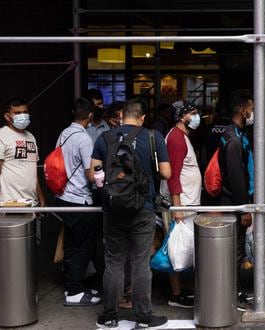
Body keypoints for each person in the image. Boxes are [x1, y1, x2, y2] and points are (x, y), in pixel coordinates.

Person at [91, 98, 171, 329]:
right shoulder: (153, 137)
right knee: (140, 263)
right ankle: (143, 318)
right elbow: (166, 173)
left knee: (114, 262)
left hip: (112, 209)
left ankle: (109, 316)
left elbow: (92, 174)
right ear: (143, 117)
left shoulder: (104, 138)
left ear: (121, 115)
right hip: (143, 209)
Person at [54, 98, 101, 306]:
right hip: (79, 198)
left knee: (73, 244)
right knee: (82, 246)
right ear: (90, 116)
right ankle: (74, 292)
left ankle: (73, 287)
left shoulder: (64, 133)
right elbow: (90, 174)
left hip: (64, 196)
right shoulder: (84, 139)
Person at [217, 90, 255, 311]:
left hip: (238, 201)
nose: (253, 113)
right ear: (243, 111)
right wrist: (244, 209)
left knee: (237, 250)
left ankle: (236, 290)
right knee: (234, 252)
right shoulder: (233, 138)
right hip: (233, 202)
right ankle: (232, 295)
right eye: (251, 109)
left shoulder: (238, 134)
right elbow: (235, 177)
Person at [163, 100, 203, 308]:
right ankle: (176, 294)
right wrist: (177, 208)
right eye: (193, 113)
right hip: (183, 205)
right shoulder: (177, 139)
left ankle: (180, 291)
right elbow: (173, 176)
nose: (197, 117)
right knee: (177, 249)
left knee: (182, 249)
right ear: (182, 117)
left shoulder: (181, 137)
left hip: (187, 203)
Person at [0, 97, 46, 207]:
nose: (23, 115)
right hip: (8, 203)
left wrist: (41, 197)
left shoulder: (31, 137)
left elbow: (32, 171)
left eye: (25, 112)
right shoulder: (2, 135)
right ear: (7, 116)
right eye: (17, 113)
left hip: (31, 202)